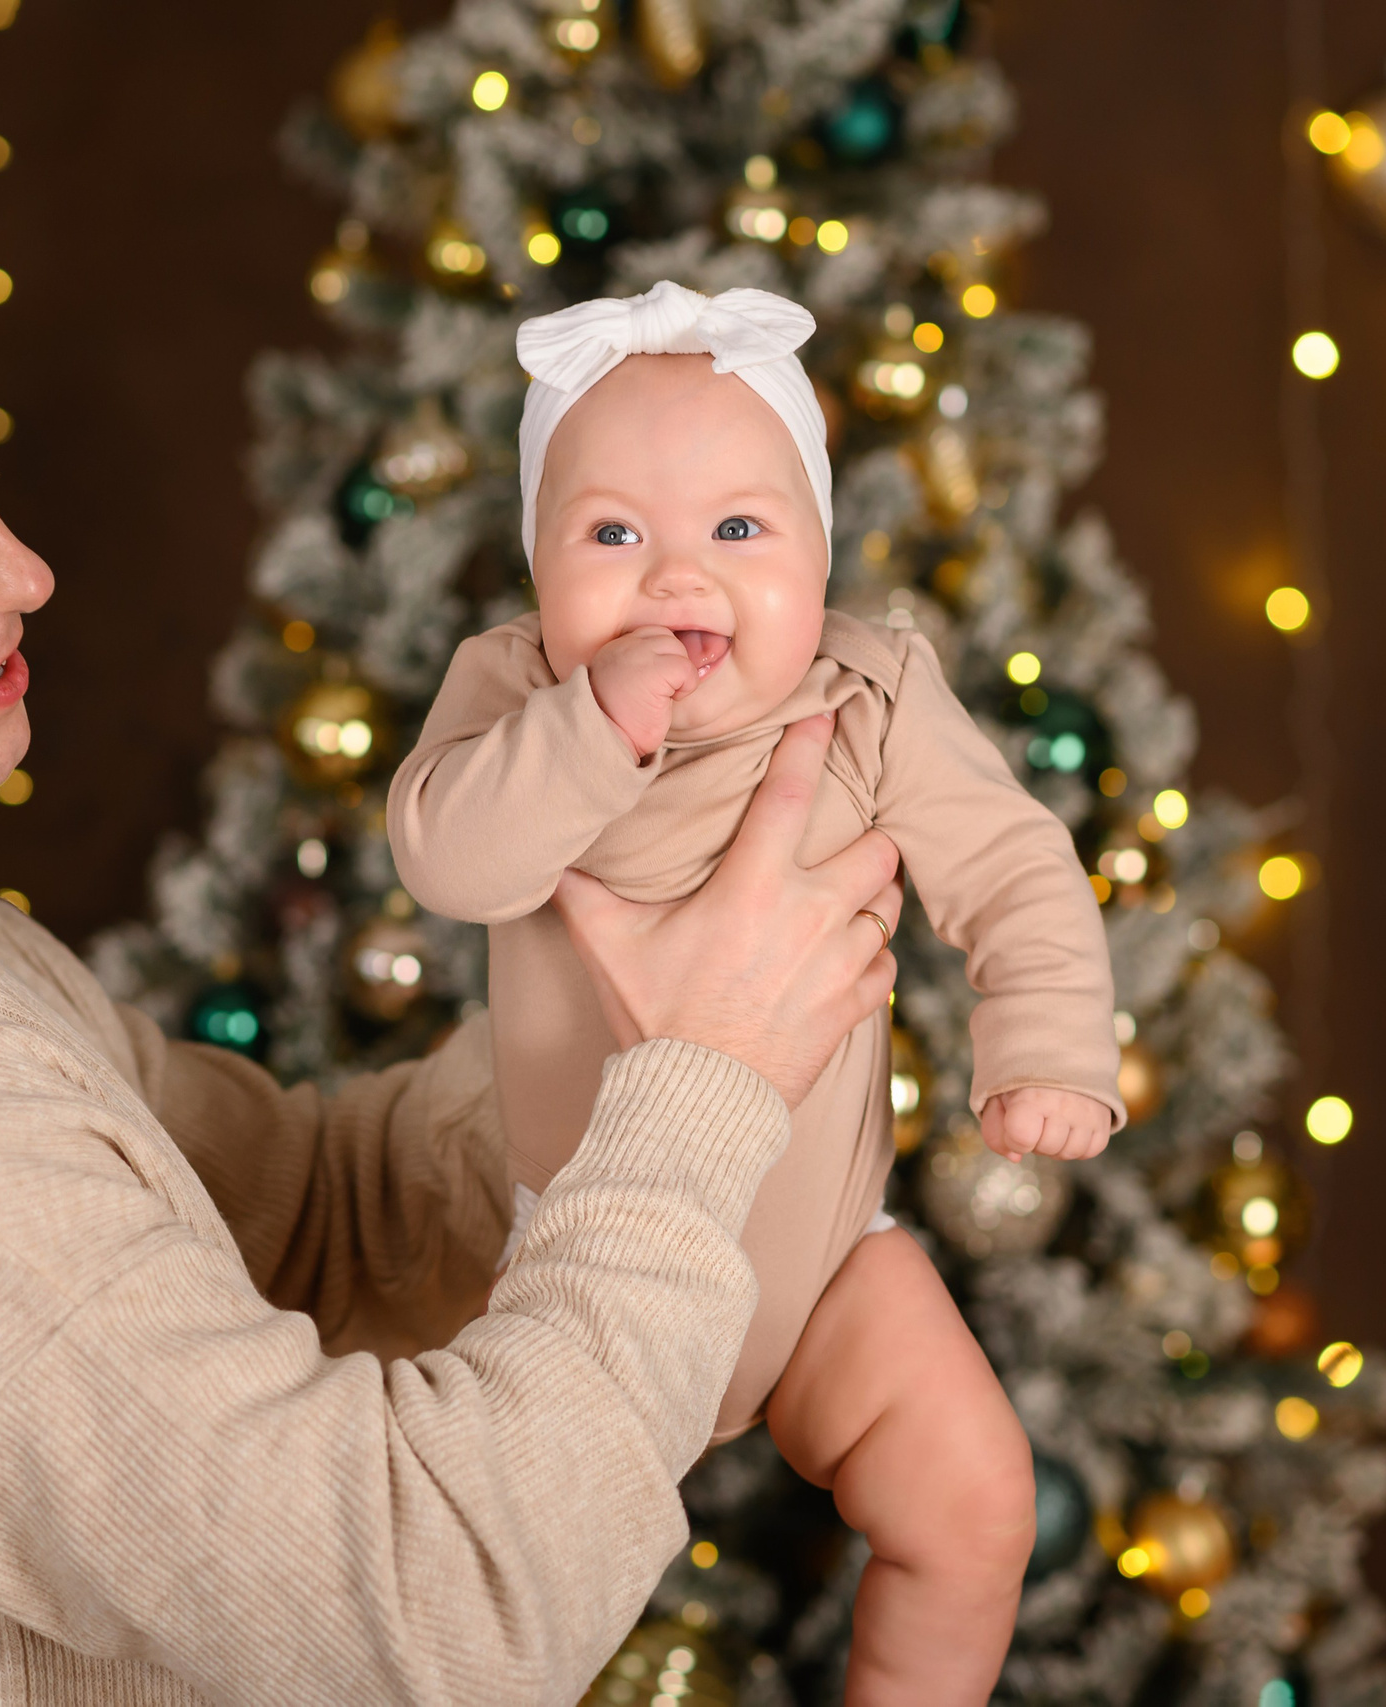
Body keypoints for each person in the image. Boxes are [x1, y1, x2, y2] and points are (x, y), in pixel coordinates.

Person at [0, 215, 902, 1705]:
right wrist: (704, 1083)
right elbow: (436, 1616)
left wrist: (645, 990)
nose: (17, 571)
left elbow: (322, 1227)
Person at [387, 282, 1123, 1702]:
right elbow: (451, 859)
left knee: (973, 1499)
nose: (678, 579)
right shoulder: (514, 692)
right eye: (612, 535)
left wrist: (1046, 1045)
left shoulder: (873, 694)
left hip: (828, 1254)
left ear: (818, 555)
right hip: (572, 1250)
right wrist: (590, 728)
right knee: (509, 1600)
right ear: (537, 567)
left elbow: (1018, 866)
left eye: (738, 528)